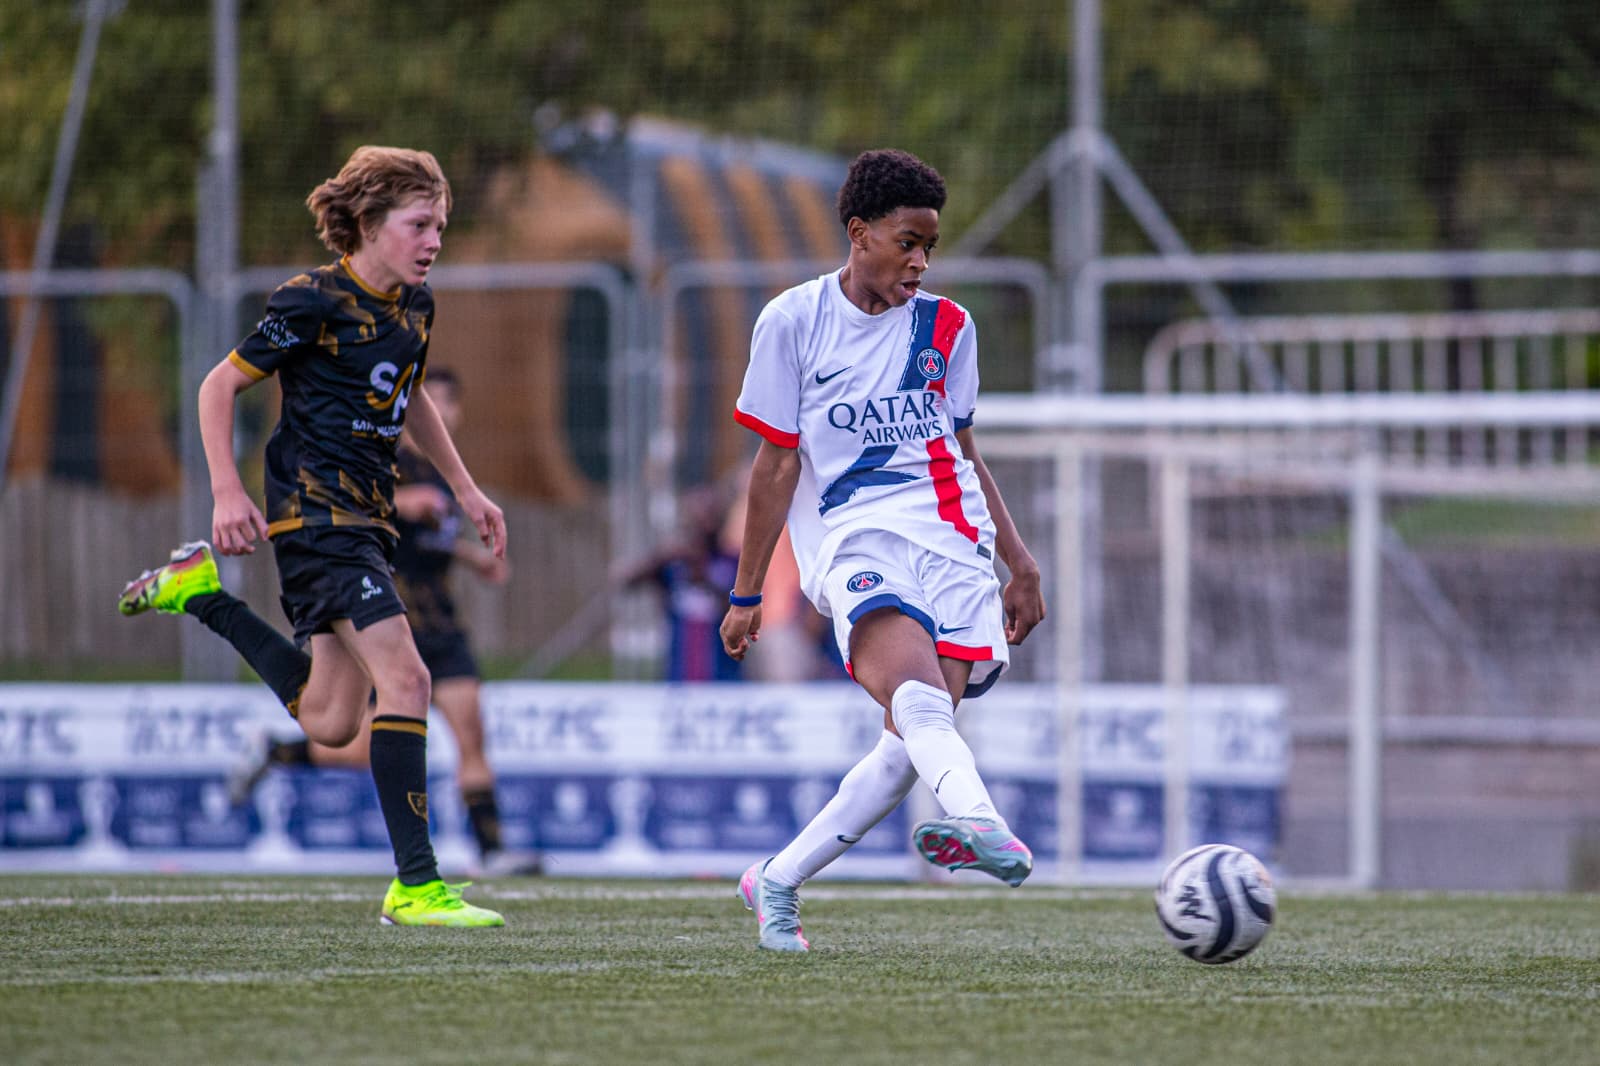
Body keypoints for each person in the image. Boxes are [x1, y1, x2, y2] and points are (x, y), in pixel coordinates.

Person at [117, 146, 505, 927]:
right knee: (409, 682)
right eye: (420, 225)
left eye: (440, 226)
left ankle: (201, 595)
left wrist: (465, 489)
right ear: (369, 223)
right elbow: (219, 385)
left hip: (367, 518)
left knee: (331, 719)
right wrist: (227, 491)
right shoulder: (311, 300)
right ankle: (416, 884)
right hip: (317, 517)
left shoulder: (416, 307)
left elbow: (410, 396)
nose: (434, 241)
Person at [722, 148, 1047, 951]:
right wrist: (748, 591)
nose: (920, 262)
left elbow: (963, 451)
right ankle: (981, 823)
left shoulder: (950, 328)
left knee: (907, 749)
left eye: (930, 246)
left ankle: (778, 880)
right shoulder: (793, 322)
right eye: (907, 242)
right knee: (918, 702)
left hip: (955, 543)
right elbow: (775, 465)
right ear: (859, 232)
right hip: (856, 538)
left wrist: (1019, 560)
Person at [226, 367, 542, 877]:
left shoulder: (441, 474)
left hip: (441, 622)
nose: (438, 412)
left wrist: (471, 559)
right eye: (429, 400)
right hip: (387, 619)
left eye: (447, 402)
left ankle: (492, 851)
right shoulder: (381, 458)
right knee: (350, 741)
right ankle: (277, 751)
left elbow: (428, 543)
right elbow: (350, 513)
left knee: (471, 732)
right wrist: (400, 503)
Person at [617, 481, 746, 682]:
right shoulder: (675, 563)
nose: (704, 523)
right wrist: (661, 558)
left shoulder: (733, 561)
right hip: (679, 674)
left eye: (710, 514)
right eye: (698, 515)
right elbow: (625, 580)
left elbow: (741, 610)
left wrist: (705, 580)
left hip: (723, 676)